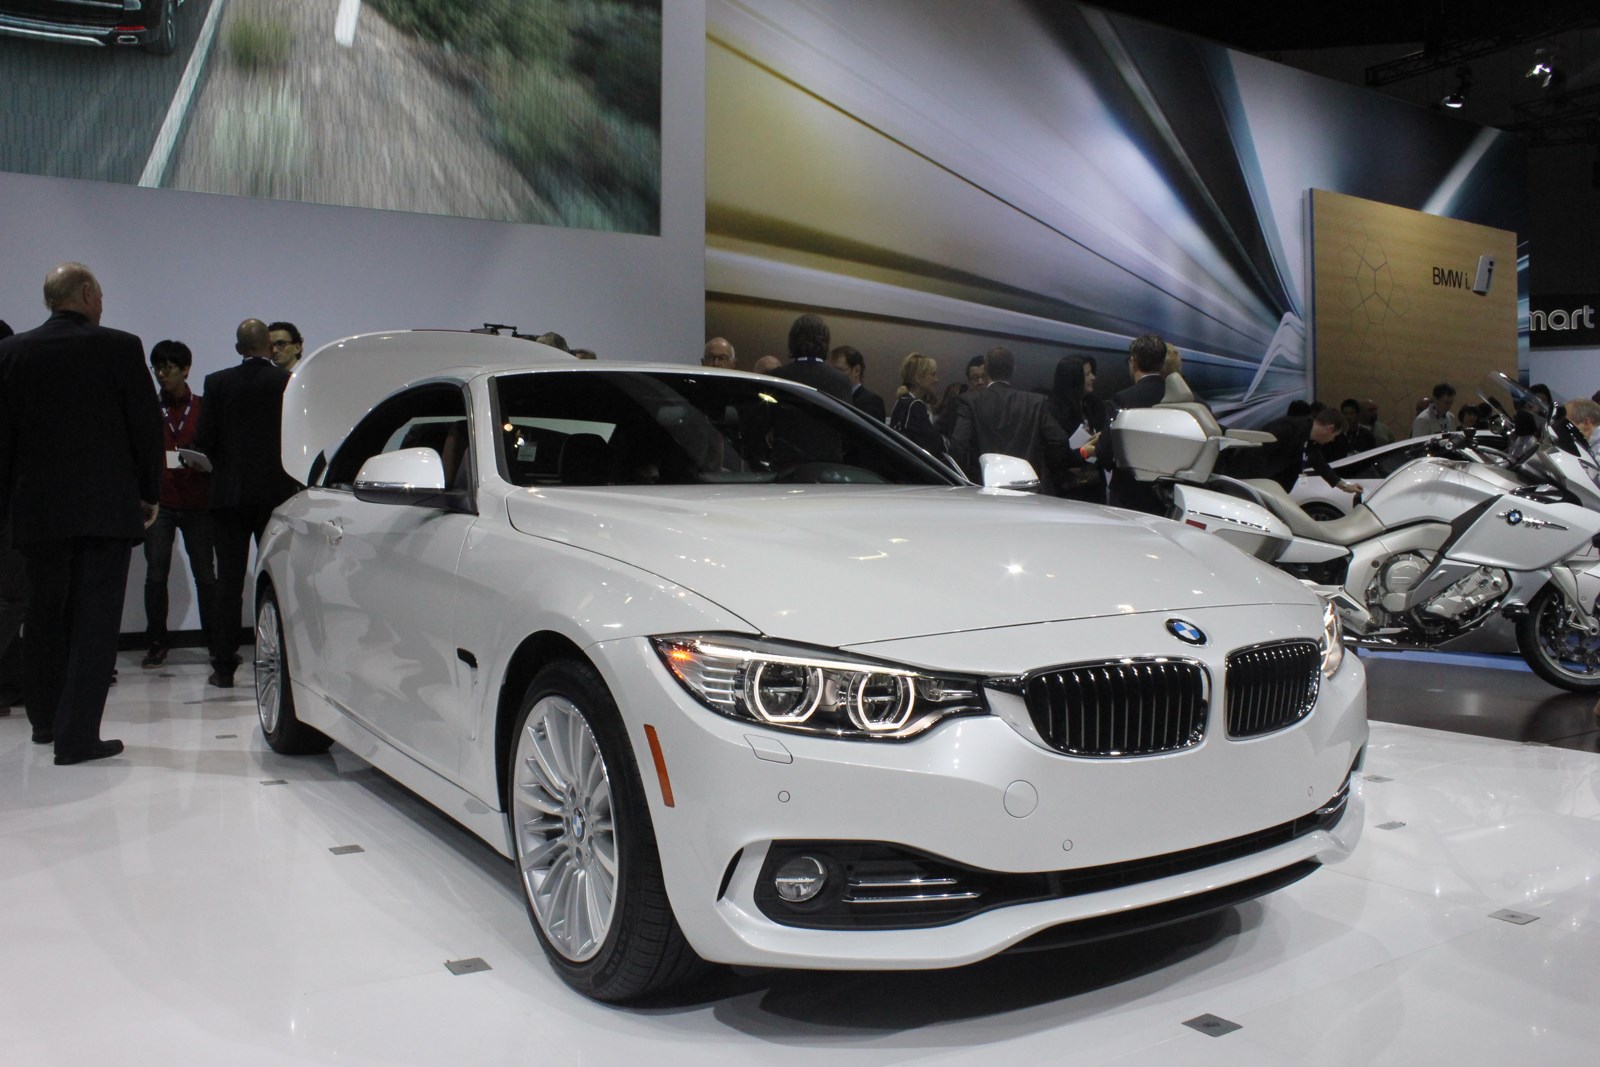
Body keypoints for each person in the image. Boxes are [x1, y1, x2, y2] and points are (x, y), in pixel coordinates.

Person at [0, 263, 163, 764]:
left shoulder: (12, 351)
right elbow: (144, 425)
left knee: (42, 614)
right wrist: (149, 491)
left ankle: (45, 722)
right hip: (103, 508)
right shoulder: (120, 346)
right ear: (88, 293)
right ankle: (77, 736)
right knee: (95, 620)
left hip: (36, 511)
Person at [193, 319, 300, 688]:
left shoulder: (217, 383)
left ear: (239, 348)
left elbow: (204, 438)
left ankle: (223, 666)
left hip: (229, 496)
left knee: (228, 583)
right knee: (279, 579)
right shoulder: (288, 383)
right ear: (269, 347)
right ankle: (282, 659)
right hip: (276, 496)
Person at [141, 340, 222, 671]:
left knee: (206, 576)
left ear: (186, 369)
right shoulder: (148, 408)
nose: (161, 374)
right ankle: (157, 642)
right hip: (160, 503)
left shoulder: (203, 407)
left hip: (198, 502)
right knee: (155, 575)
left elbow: (218, 449)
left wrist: (205, 461)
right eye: (157, 368)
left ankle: (216, 643)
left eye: (168, 368)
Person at [948, 346, 1082, 492]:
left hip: (984, 487)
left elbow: (959, 444)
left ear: (986, 369)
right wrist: (1043, 466)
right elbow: (1059, 440)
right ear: (1013, 369)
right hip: (1029, 487)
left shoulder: (970, 401)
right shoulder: (1035, 402)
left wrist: (966, 480)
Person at [1227, 406, 1362, 497]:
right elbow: (1254, 454)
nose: (1332, 440)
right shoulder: (1287, 428)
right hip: (1244, 481)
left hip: (1268, 488)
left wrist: (1345, 486)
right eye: (1335, 435)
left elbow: (1321, 466)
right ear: (1330, 428)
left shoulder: (1312, 443)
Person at [1105, 334, 1170, 511]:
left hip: (1129, 496)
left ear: (1133, 362)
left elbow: (1106, 451)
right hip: (1168, 497)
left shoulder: (1123, 400)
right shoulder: (1182, 398)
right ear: (1162, 364)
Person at [1048, 355, 1106, 501]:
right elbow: (1055, 455)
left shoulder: (1094, 405)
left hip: (1095, 488)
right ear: (1073, 379)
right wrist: (1083, 452)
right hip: (1067, 492)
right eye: (1087, 374)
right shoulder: (1052, 411)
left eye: (1092, 372)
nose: (1093, 377)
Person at [888, 352, 945, 457]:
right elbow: (930, 443)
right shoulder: (915, 406)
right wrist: (945, 442)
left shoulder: (901, 401)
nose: (936, 380)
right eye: (933, 374)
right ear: (919, 378)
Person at [828, 345, 887, 421]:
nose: (833, 375)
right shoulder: (830, 397)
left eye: (838, 370)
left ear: (856, 370)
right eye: (830, 370)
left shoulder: (871, 402)